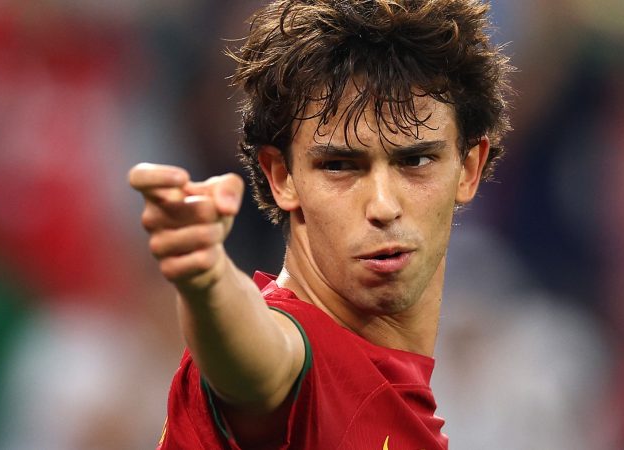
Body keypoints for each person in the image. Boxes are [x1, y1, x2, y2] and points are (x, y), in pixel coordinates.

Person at [129, 0, 511, 448]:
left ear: (468, 167)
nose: (383, 205)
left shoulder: (393, 398)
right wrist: (207, 280)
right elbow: (257, 366)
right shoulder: (298, 360)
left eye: (416, 160)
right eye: (340, 166)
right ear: (281, 177)